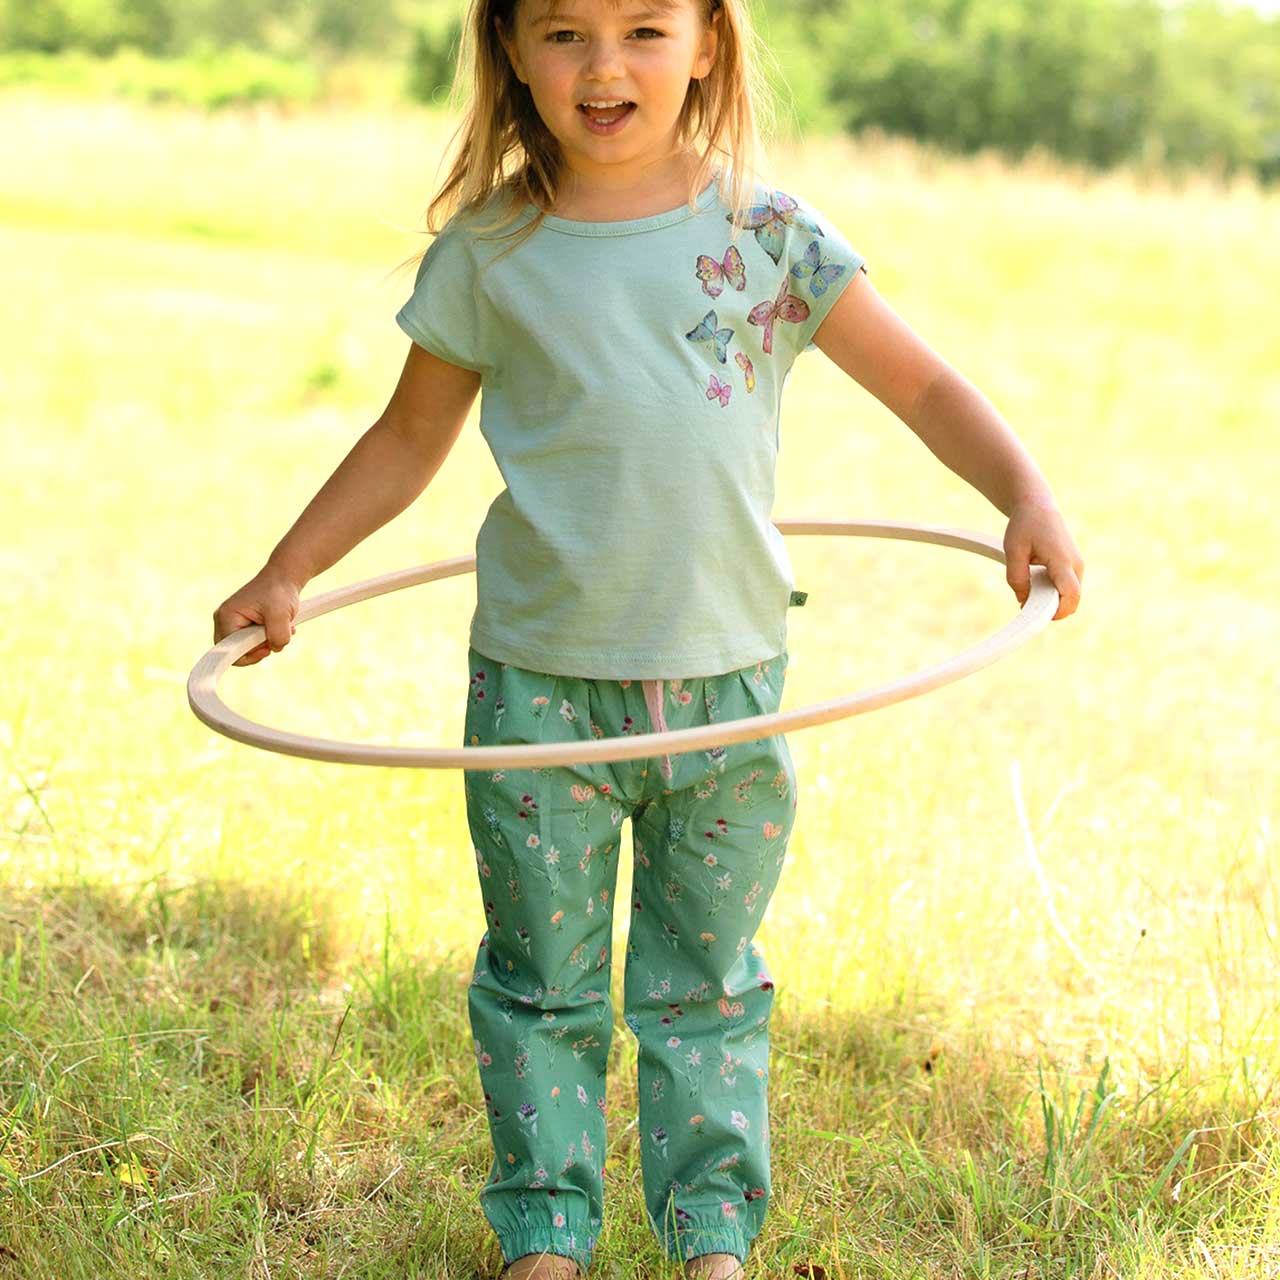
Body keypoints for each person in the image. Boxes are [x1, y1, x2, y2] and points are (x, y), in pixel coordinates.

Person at [212, 0, 1085, 1274]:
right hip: (535, 689)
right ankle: (546, 1233)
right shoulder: (491, 251)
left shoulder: (767, 234)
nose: (604, 65)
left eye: (642, 27)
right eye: (563, 32)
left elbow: (924, 384)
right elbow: (406, 441)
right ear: (509, 46)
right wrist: (287, 570)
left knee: (707, 981)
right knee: (539, 981)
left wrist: (1023, 492)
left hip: (727, 683)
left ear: (708, 41)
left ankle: (713, 1232)